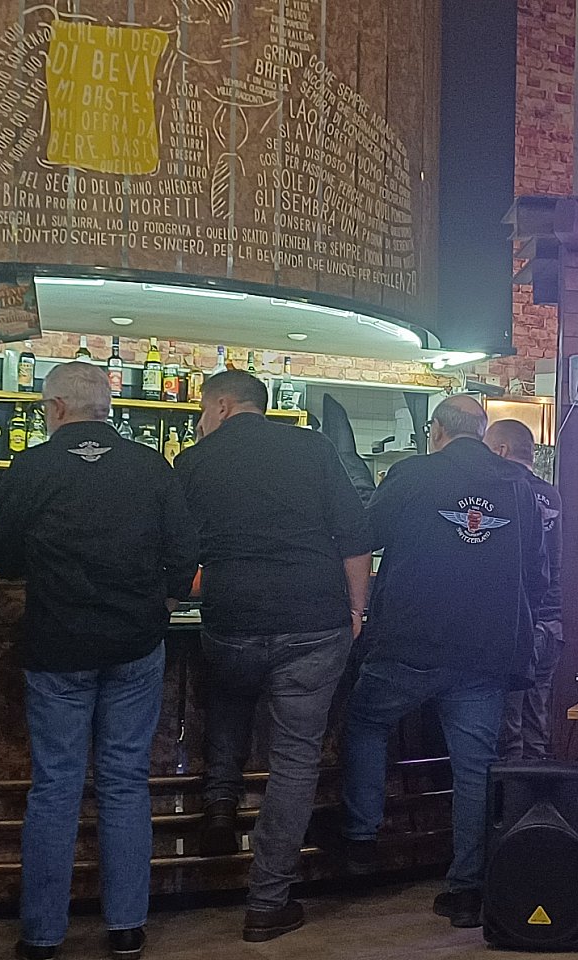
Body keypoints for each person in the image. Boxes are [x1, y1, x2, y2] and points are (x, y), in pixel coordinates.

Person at [0, 363, 199, 960]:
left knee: (55, 786)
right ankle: (127, 927)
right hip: (134, 643)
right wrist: (160, 605)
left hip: (57, 645)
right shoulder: (149, 465)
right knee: (125, 781)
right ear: (107, 406)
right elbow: (186, 551)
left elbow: (5, 557)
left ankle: (42, 935)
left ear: (55, 408)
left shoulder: (32, 466)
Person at [173, 370, 372, 943]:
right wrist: (357, 609)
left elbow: (176, 550)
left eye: (202, 412)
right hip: (312, 619)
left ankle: (219, 805)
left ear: (221, 406)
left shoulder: (193, 461)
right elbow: (355, 536)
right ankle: (267, 902)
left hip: (232, 615)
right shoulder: (313, 447)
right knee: (294, 760)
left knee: (229, 695)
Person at [339, 395, 547, 929]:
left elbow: (365, 536)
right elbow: (536, 571)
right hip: (485, 648)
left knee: (365, 722)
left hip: (411, 641)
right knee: (474, 767)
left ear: (435, 430)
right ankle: (466, 891)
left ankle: (360, 840)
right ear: (481, 430)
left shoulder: (411, 475)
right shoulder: (519, 484)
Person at [485, 419, 563, 762]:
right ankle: (537, 790)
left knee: (508, 727)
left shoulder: (505, 493)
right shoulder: (551, 493)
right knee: (536, 724)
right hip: (554, 622)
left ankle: (510, 794)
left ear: (501, 450)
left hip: (520, 623)